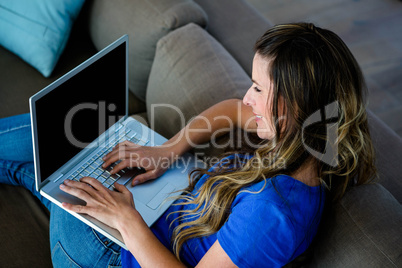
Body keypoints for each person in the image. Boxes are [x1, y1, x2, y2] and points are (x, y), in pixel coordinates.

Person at [0, 22, 376, 267]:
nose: (247, 98)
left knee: (64, 155)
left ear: (297, 105)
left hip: (115, 256)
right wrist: (168, 151)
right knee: (63, 155)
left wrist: (126, 220)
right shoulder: (311, 135)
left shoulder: (272, 216)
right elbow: (231, 111)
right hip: (157, 212)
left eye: (259, 88)